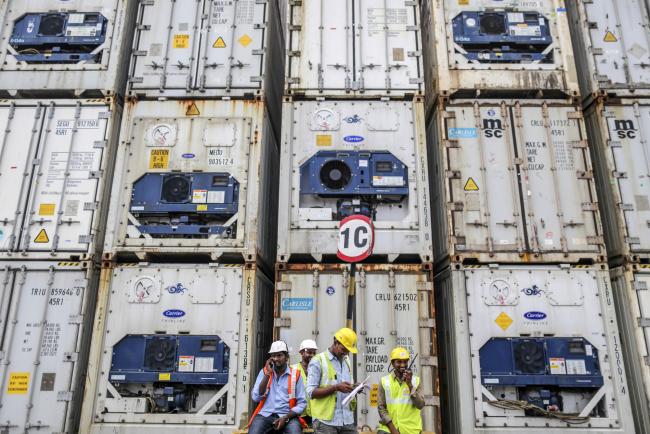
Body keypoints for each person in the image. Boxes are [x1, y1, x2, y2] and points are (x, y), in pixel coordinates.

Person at [307, 327, 358, 434]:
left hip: (346, 419)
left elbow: (345, 385)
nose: (346, 353)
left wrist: (354, 387)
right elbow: (311, 392)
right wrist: (336, 387)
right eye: (344, 350)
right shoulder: (318, 361)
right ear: (335, 343)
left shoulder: (346, 360)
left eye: (348, 351)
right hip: (325, 421)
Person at [249, 340, 307, 434]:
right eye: (273, 356)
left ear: (286, 357)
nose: (275, 359)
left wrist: (286, 418)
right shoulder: (264, 372)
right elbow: (256, 397)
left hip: (288, 416)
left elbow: (302, 403)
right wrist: (268, 374)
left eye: (279, 355)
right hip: (265, 415)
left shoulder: (295, 375)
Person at [377, 347, 425, 434]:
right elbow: (381, 408)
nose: (403, 365)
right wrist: (393, 430)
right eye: (399, 362)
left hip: (411, 429)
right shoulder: (384, 381)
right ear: (392, 363)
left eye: (405, 361)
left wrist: (410, 385)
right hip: (389, 429)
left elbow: (420, 405)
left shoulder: (416, 381)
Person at [292, 339, 319, 425]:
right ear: (301, 352)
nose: (312, 355)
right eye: (309, 352)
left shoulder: (318, 369)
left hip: (315, 414)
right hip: (298, 414)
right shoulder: (293, 369)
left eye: (314, 353)